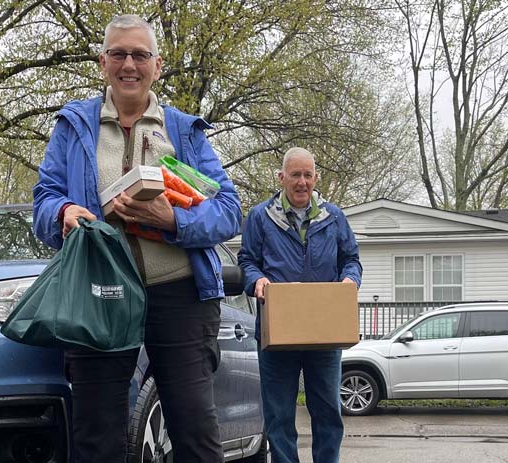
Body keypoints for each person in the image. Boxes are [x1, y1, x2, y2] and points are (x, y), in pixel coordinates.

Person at [32, 14, 242, 463]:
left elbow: (228, 210)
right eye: (119, 54)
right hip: (98, 294)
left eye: (140, 55)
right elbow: (44, 201)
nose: (130, 64)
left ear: (157, 65)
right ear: (103, 61)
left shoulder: (184, 130)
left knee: (195, 432)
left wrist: (174, 220)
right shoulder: (73, 126)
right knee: (96, 436)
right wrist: (64, 212)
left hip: (180, 295)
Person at [237, 147, 362, 463]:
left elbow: (351, 260)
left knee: (328, 414)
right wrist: (257, 281)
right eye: (295, 175)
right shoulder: (260, 218)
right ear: (281, 178)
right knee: (278, 418)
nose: (302, 182)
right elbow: (247, 261)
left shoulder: (334, 217)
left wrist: (350, 281)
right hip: (276, 332)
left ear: (316, 177)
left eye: (308, 175)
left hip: (325, 333)